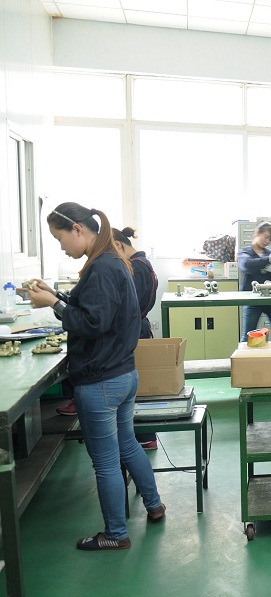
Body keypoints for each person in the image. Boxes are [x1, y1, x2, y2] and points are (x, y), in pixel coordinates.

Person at [25, 202, 165, 551]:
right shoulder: (111, 261)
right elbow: (94, 308)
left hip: (100, 380)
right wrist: (55, 295)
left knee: (105, 461)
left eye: (60, 239)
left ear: (77, 229)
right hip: (122, 373)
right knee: (127, 444)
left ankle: (116, 534)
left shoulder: (101, 267)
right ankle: (154, 505)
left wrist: (53, 305)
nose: (61, 247)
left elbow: (92, 322)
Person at [113, 226, 160, 449]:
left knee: (138, 391)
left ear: (118, 246)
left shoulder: (137, 268)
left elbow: (129, 305)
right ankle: (142, 436)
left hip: (135, 331)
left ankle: (145, 436)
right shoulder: (140, 264)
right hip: (138, 328)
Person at [238, 221, 271, 342]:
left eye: (270, 240)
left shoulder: (269, 253)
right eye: (266, 237)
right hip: (252, 300)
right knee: (247, 337)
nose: (267, 241)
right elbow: (247, 265)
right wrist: (267, 261)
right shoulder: (245, 252)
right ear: (257, 233)